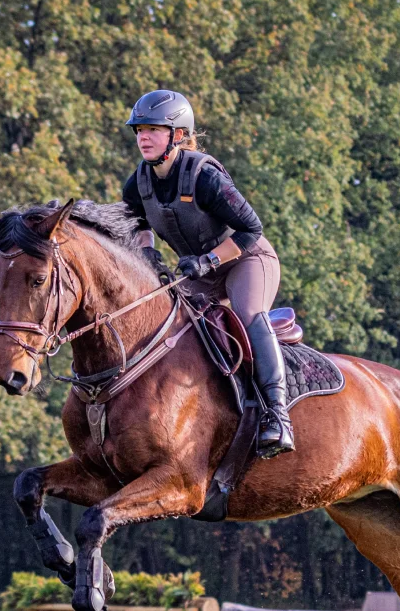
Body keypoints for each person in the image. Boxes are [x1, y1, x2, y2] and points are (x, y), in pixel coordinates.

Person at [120, 89, 293, 457]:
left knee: (248, 315)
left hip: (246, 260)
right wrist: (147, 250)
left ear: (178, 135)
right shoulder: (139, 182)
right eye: (139, 130)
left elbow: (251, 230)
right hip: (198, 271)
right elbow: (133, 222)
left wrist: (208, 261)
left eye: (153, 129)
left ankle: (278, 416)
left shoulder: (204, 177)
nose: (143, 138)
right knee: (171, 329)